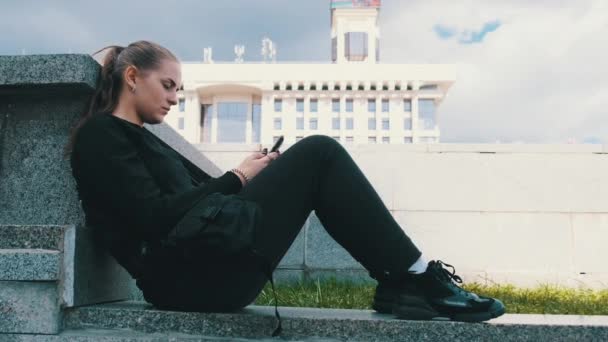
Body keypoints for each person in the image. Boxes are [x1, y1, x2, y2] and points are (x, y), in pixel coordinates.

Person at [66, 40, 505, 332]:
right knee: (319, 152)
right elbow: (154, 217)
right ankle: (417, 278)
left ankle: (399, 282)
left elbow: (194, 207)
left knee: (315, 158)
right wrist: (237, 177)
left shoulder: (142, 139)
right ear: (131, 77)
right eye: (167, 85)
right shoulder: (101, 135)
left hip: (204, 266)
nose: (175, 98)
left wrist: (248, 175)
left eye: (179, 89)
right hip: (190, 280)